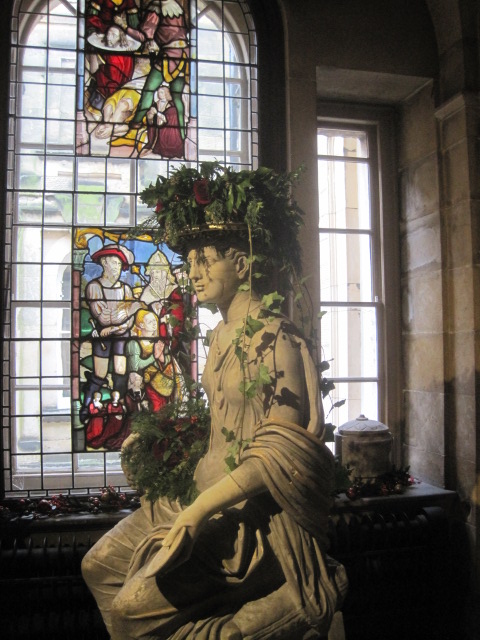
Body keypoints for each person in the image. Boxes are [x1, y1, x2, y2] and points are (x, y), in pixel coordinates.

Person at [82, 236, 347, 639]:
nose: (193, 274)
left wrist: (201, 510)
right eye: (191, 263)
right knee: (98, 566)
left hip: (248, 516)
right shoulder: (221, 332)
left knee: (129, 613)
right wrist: (160, 438)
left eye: (205, 261)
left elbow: (281, 451)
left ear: (241, 265)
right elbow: (226, 420)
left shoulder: (278, 338)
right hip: (197, 494)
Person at [81, 243, 145, 423]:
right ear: (104, 263)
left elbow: (128, 322)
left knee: (121, 370)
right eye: (114, 263)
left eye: (119, 265)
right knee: (100, 374)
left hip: (121, 334)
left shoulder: (126, 289)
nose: (117, 268)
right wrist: (129, 310)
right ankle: (87, 405)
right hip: (102, 337)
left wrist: (117, 325)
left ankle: (122, 410)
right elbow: (104, 318)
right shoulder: (94, 287)